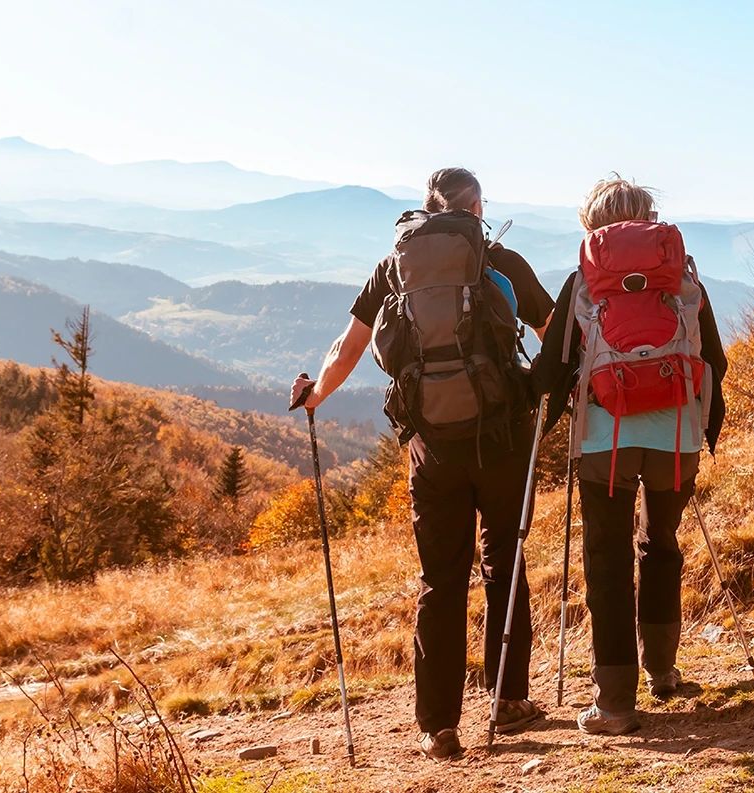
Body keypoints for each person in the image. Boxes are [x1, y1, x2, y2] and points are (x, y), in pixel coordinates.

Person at [293, 168, 555, 760]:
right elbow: (552, 331)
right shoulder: (500, 260)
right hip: (503, 440)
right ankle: (509, 701)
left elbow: (350, 347)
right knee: (505, 565)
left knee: (440, 580)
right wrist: (544, 389)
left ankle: (438, 724)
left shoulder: (395, 268)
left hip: (431, 448)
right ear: (477, 209)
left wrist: (315, 397)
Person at [532, 176, 727, 735]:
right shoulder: (683, 279)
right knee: (661, 545)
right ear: (650, 219)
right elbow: (715, 358)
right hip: (676, 437)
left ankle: (616, 701)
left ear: (593, 227)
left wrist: (544, 408)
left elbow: (551, 371)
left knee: (608, 561)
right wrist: (703, 424)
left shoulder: (583, 283)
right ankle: (663, 671)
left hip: (604, 441)